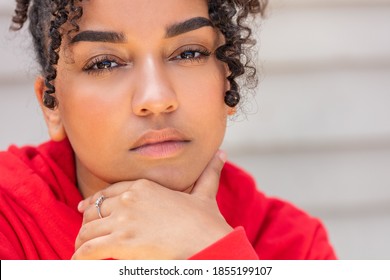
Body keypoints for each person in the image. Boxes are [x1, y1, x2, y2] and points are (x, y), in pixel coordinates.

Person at [0, 0, 336, 260]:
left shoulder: (296, 246)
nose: (156, 99)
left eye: (189, 53)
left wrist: (216, 254)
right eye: (104, 62)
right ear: (51, 105)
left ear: (228, 81)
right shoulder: (9, 219)